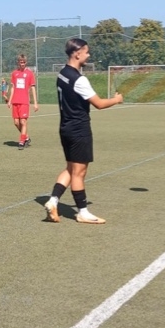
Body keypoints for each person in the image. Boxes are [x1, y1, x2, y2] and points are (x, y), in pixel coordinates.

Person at [44, 38, 123, 224]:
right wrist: (117, 99)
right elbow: (99, 104)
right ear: (77, 53)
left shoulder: (62, 74)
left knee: (71, 169)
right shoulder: (79, 79)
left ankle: (52, 201)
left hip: (65, 128)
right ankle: (82, 212)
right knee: (79, 173)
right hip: (79, 129)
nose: (88, 55)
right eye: (86, 52)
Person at [7, 54, 38, 150]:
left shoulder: (29, 74)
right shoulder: (14, 73)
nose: (22, 64)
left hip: (24, 101)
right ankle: (26, 137)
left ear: (26, 63)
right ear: (18, 62)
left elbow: (32, 88)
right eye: (21, 62)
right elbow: (13, 88)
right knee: (16, 123)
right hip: (15, 101)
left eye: (24, 62)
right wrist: (9, 100)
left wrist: (35, 103)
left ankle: (21, 141)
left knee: (23, 121)